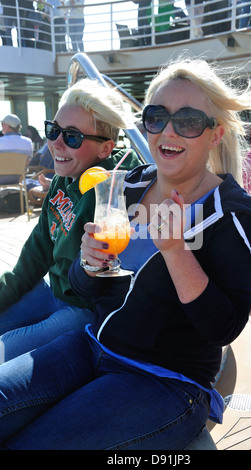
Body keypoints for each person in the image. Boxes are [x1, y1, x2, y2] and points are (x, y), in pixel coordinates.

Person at [0, 56, 251, 450]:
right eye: (156, 117)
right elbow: (85, 290)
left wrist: (176, 252)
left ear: (214, 133)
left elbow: (224, 328)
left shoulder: (231, 212)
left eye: (188, 120)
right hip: (91, 345)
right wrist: (88, 263)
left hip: (165, 382)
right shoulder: (130, 185)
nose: (168, 130)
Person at [0, 78, 141, 364]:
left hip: (82, 310)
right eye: (53, 131)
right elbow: (37, 249)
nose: (56, 143)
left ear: (105, 149)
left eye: (72, 137)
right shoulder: (62, 180)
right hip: (51, 292)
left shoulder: (112, 191)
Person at [0, 113, 33, 184]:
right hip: (19, 179)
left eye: (2, 124)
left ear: (7, 126)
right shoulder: (28, 142)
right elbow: (27, 162)